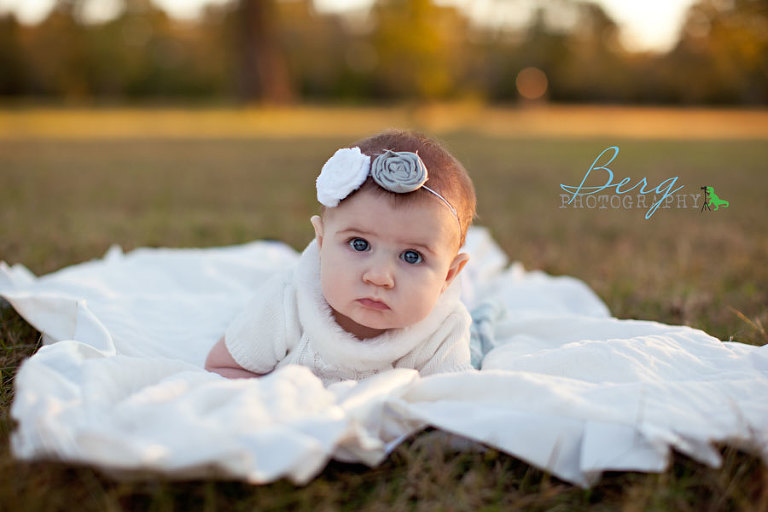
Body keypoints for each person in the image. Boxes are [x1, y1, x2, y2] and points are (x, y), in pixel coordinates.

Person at [205, 129, 477, 385]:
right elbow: (224, 367)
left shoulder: (444, 329)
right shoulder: (285, 304)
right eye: (359, 244)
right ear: (321, 243)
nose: (379, 276)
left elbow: (450, 400)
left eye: (412, 256)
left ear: (449, 275)